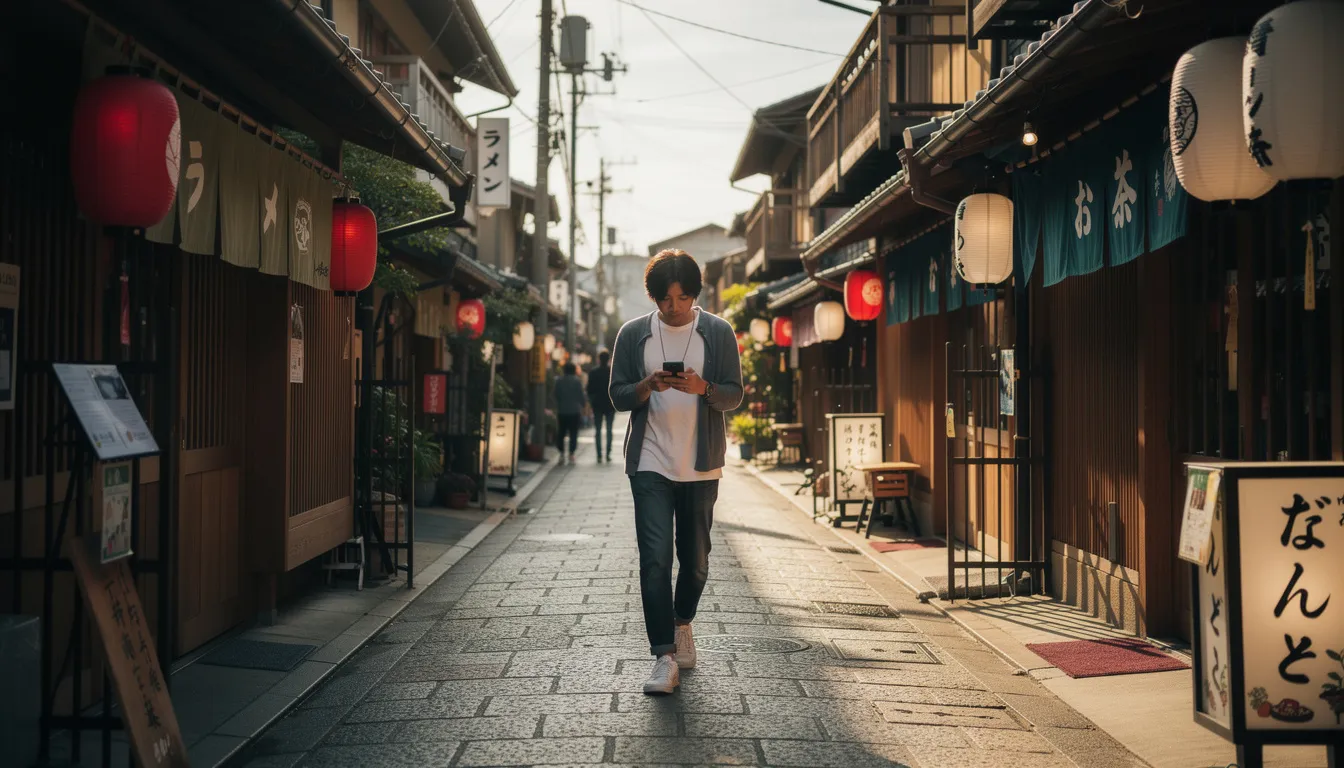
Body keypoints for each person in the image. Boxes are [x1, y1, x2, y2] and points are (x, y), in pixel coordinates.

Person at [608, 249, 743, 695]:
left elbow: (733, 395)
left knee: (697, 563)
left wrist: (703, 388)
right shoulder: (633, 335)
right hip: (649, 462)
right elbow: (618, 395)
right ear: (653, 298)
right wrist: (648, 385)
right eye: (665, 299)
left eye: (683, 297)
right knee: (654, 560)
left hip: (701, 465)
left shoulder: (718, 333)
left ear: (694, 294)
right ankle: (663, 655)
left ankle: (683, 620)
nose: (675, 307)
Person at [586, 350, 616, 462]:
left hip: (597, 404)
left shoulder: (593, 372)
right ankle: (608, 453)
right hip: (610, 404)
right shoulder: (612, 372)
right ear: (608, 359)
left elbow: (589, 389)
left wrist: (592, 400)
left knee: (598, 430)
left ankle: (599, 454)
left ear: (599, 359)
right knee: (609, 429)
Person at [554, 362, 586, 464]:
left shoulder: (559, 381)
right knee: (573, 433)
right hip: (574, 411)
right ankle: (571, 453)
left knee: (561, 432)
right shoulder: (577, 381)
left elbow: (556, 394)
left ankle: (561, 454)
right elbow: (580, 395)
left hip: (562, 410)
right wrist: (583, 404)